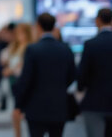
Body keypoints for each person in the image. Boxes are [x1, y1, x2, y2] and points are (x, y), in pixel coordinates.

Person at [15, 13, 76, 137]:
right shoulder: (65, 49)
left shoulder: (33, 49)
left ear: (38, 26)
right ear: (54, 26)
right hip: (59, 106)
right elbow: (72, 76)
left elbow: (26, 79)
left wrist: (19, 103)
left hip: (36, 107)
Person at [78, 8, 112, 137]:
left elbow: (82, 74)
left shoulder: (91, 44)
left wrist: (81, 88)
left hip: (95, 102)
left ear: (97, 20)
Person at [0, 23, 33, 137]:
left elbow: (23, 66)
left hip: (25, 82)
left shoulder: (30, 47)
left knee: (21, 112)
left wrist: (12, 69)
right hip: (13, 82)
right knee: (15, 112)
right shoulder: (14, 46)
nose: (19, 36)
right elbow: (4, 58)